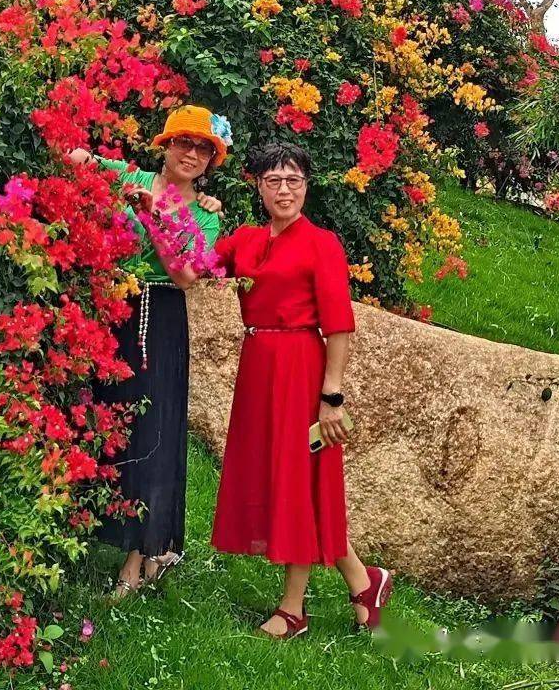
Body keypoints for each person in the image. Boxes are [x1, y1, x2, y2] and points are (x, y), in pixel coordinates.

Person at [209, 141, 392, 637]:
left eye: (293, 180)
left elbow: (339, 325)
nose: (284, 190)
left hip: (303, 373)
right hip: (258, 369)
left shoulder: (322, 243)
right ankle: (363, 580)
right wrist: (196, 211)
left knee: (302, 479)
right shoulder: (244, 240)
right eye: (274, 180)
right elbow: (197, 266)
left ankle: (293, 610)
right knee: (288, 479)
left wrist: (331, 396)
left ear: (306, 187)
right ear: (259, 186)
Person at [69, 105, 231, 597]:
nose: (192, 153)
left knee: (153, 437)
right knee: (105, 422)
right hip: (113, 309)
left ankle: (137, 561)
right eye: (184, 142)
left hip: (158, 317)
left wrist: (155, 217)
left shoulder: (205, 214)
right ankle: (96, 533)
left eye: (204, 148)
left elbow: (184, 275)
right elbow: (74, 160)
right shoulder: (128, 176)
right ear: (165, 145)